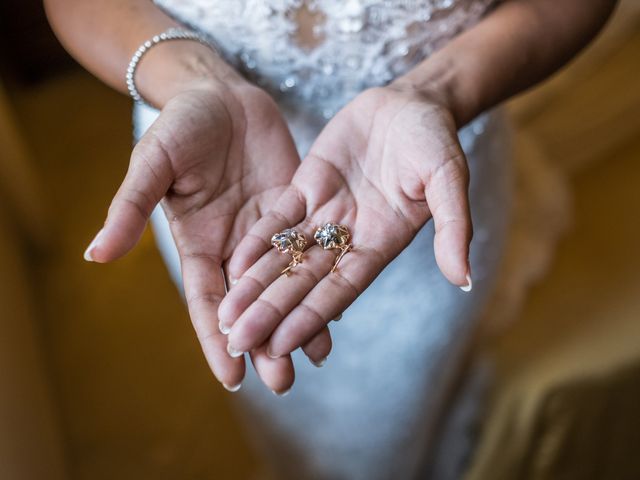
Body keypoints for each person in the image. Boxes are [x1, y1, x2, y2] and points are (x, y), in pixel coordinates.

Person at [45, 1, 616, 478]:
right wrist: (192, 78)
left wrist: (440, 91)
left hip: (408, 182)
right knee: (256, 353)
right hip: (215, 175)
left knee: (398, 411)